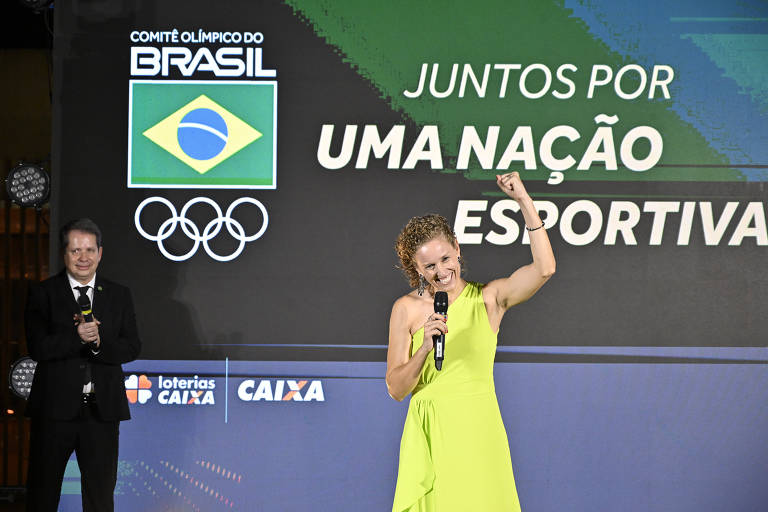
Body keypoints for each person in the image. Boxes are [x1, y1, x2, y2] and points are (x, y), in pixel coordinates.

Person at [387, 172, 555, 511]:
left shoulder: (489, 299)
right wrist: (423, 347)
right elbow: (396, 388)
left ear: (458, 250)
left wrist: (524, 201)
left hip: (479, 431)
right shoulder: (405, 309)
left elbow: (545, 269)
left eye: (446, 259)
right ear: (417, 269)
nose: (441, 271)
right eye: (429, 266)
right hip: (430, 433)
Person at [24, 218, 141, 512]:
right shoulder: (44, 293)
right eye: (76, 251)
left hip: (101, 413)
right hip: (53, 412)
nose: (83, 257)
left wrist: (99, 343)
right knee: (42, 494)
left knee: (100, 497)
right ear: (64, 254)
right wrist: (76, 336)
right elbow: (38, 347)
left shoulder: (118, 295)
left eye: (89, 250)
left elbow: (132, 346)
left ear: (100, 252)